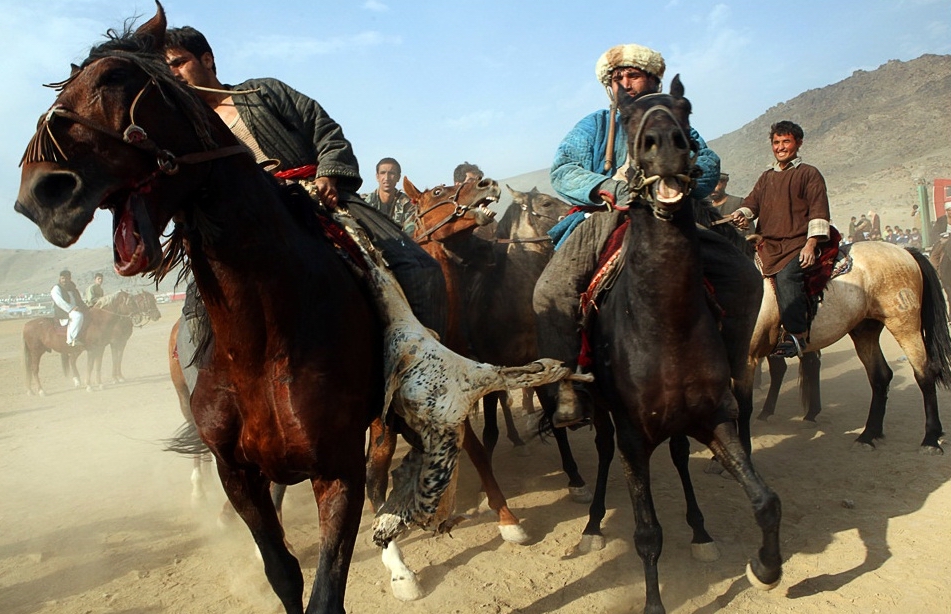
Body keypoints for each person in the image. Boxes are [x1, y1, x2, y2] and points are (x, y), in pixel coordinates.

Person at [165, 26, 446, 335]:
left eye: (178, 62)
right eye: (166, 68)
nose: (172, 72)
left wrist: (328, 173)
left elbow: (323, 128)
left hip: (316, 197)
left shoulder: (261, 92)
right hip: (241, 222)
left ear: (207, 60)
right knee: (193, 320)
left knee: (420, 269)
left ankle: (422, 364)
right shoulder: (187, 131)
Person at [534, 43, 735, 426]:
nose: (624, 83)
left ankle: (730, 376)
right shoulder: (595, 125)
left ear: (653, 80)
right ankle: (567, 387)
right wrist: (606, 187)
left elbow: (708, 160)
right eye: (617, 78)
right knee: (550, 290)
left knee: (740, 275)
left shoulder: (673, 117)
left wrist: (684, 177)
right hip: (608, 217)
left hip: (669, 217)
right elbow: (562, 168)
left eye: (632, 75)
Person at [729, 120, 831, 359]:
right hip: (768, 245)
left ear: (799, 143)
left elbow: (819, 210)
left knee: (787, 277)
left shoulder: (809, 173)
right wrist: (740, 214)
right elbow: (751, 203)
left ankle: (797, 334)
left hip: (797, 244)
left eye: (786, 141)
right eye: (776, 142)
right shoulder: (767, 177)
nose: (781, 147)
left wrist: (811, 243)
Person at [362, 157, 414, 231]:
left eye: (391, 173)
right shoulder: (363, 202)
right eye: (383, 173)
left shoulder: (408, 205)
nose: (387, 178)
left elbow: (411, 232)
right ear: (377, 177)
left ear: (398, 177)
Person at [51, 270, 86, 347]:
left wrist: (87, 308)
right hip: (64, 312)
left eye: (66, 278)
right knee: (78, 316)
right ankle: (72, 339)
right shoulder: (56, 288)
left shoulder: (73, 289)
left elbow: (79, 301)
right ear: (60, 279)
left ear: (70, 279)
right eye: (63, 278)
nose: (64, 280)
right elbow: (59, 302)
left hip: (76, 310)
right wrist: (71, 309)